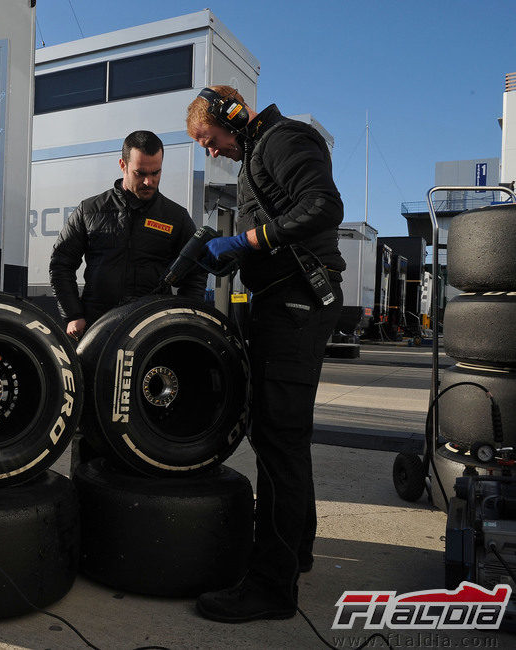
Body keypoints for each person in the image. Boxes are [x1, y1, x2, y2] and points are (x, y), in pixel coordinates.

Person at [185, 86, 344, 622]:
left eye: (208, 140)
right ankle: (294, 553)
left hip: (297, 303)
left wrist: (249, 243)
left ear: (233, 115)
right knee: (283, 437)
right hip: (280, 301)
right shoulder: (256, 154)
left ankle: (271, 589)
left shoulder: (283, 138)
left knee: (278, 440)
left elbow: (324, 206)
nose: (211, 152)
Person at [49, 130, 207, 339]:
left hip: (153, 329)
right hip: (97, 326)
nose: (148, 182)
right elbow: (61, 263)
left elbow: (196, 272)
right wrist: (72, 314)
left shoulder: (175, 217)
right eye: (140, 173)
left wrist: (182, 319)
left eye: (156, 173)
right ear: (123, 165)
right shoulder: (89, 210)